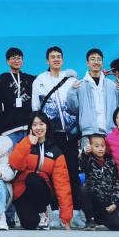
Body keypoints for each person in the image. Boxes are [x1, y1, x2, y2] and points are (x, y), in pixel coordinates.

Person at [8, 111, 73, 230]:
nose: (38, 128)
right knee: (30, 223)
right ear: (30, 128)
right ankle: (34, 216)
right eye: (34, 125)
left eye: (41, 124)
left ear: (47, 126)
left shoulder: (55, 151)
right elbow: (15, 163)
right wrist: (28, 142)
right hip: (22, 191)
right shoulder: (24, 143)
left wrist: (66, 218)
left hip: (42, 190)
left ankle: (42, 212)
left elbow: (62, 184)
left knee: (33, 178)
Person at [31, 46, 80, 201]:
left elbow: (79, 105)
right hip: (51, 135)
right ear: (47, 60)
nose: (56, 59)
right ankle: (54, 208)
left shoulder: (71, 80)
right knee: (52, 171)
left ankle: (76, 207)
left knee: (72, 170)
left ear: (63, 60)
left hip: (71, 134)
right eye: (53, 57)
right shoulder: (40, 80)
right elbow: (35, 108)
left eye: (59, 56)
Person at [67, 47, 119, 150]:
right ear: (87, 63)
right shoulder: (80, 85)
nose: (96, 62)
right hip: (88, 133)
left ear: (102, 62)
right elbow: (74, 109)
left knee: (113, 159)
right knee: (88, 160)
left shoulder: (112, 85)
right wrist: (72, 92)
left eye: (99, 59)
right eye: (93, 59)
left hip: (110, 132)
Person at [79, 133, 119, 231]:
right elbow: (82, 162)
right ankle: (90, 219)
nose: (100, 149)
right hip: (94, 200)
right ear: (90, 147)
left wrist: (115, 203)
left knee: (116, 226)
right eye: (97, 146)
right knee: (83, 189)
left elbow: (116, 184)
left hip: (107, 203)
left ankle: (100, 220)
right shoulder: (89, 159)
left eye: (102, 146)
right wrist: (85, 153)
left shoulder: (111, 162)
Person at [0, 47, 35, 146]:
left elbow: (46, 77)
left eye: (19, 58)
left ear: (22, 61)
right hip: (10, 130)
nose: (16, 61)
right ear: (7, 61)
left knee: (29, 156)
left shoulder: (30, 79)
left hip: (28, 129)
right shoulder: (3, 80)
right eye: (13, 58)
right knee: (11, 156)